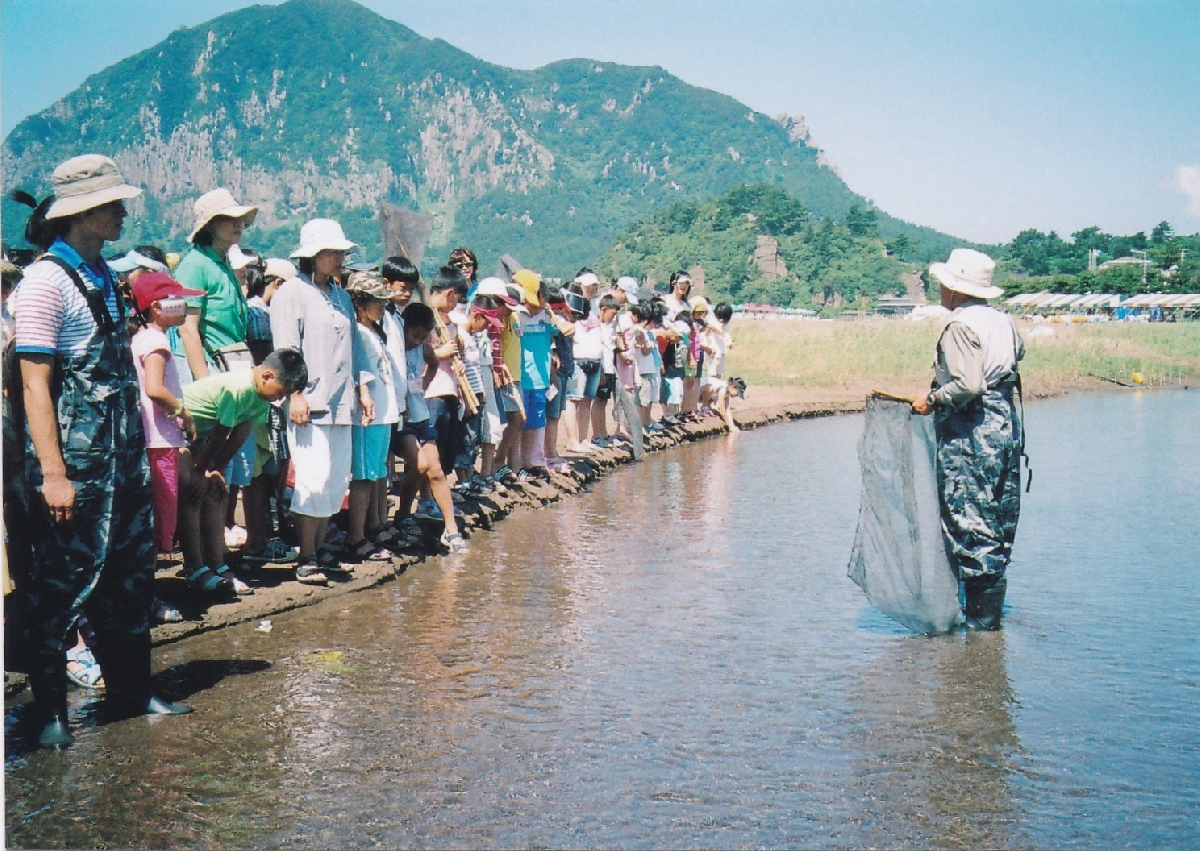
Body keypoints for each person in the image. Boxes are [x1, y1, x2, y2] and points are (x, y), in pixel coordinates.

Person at [10, 154, 191, 749]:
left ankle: (132, 693)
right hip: (76, 466)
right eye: (113, 203)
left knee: (129, 577)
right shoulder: (44, 281)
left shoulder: (102, 276)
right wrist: (54, 475)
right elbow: (34, 383)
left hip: (123, 459)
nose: (122, 210)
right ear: (82, 213)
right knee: (61, 580)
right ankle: (51, 712)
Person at [910, 248, 1025, 631]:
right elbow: (1014, 357)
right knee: (995, 520)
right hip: (1004, 428)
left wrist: (933, 399)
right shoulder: (1002, 321)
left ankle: (981, 636)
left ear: (956, 291)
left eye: (944, 285)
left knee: (969, 521)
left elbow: (968, 384)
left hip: (971, 434)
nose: (940, 290)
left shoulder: (960, 325)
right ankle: (986, 629)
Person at [270, 218, 375, 584]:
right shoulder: (291, 294)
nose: (341, 257)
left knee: (333, 479)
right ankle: (307, 555)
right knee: (311, 478)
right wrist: (294, 393)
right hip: (309, 403)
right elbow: (285, 351)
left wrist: (363, 388)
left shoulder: (341, 295)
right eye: (334, 252)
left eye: (342, 252)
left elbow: (355, 349)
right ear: (313, 255)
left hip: (342, 400)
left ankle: (322, 549)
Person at [180, 349, 308, 596]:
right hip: (182, 432)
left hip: (207, 439)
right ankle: (195, 567)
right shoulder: (240, 386)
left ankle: (217, 564)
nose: (278, 399)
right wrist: (201, 470)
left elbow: (241, 431)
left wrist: (217, 468)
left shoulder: (262, 396)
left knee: (217, 493)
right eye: (280, 392)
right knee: (193, 494)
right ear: (267, 376)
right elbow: (221, 431)